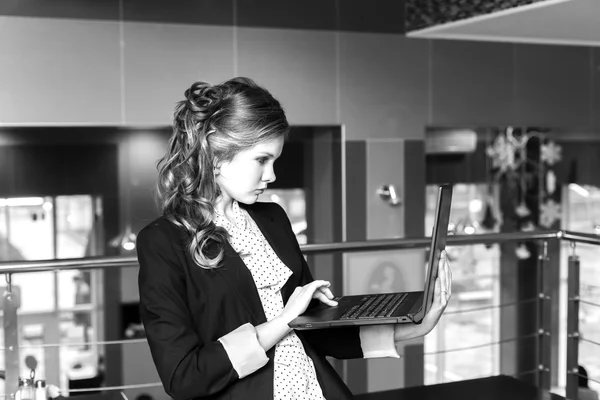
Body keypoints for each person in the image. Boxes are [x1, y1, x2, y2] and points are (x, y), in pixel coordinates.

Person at [136, 77, 452, 400]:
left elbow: (317, 333)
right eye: (262, 159)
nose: (271, 175)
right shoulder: (162, 244)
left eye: (274, 161)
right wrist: (284, 320)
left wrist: (415, 326)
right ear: (216, 154)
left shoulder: (273, 219)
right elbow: (184, 378)